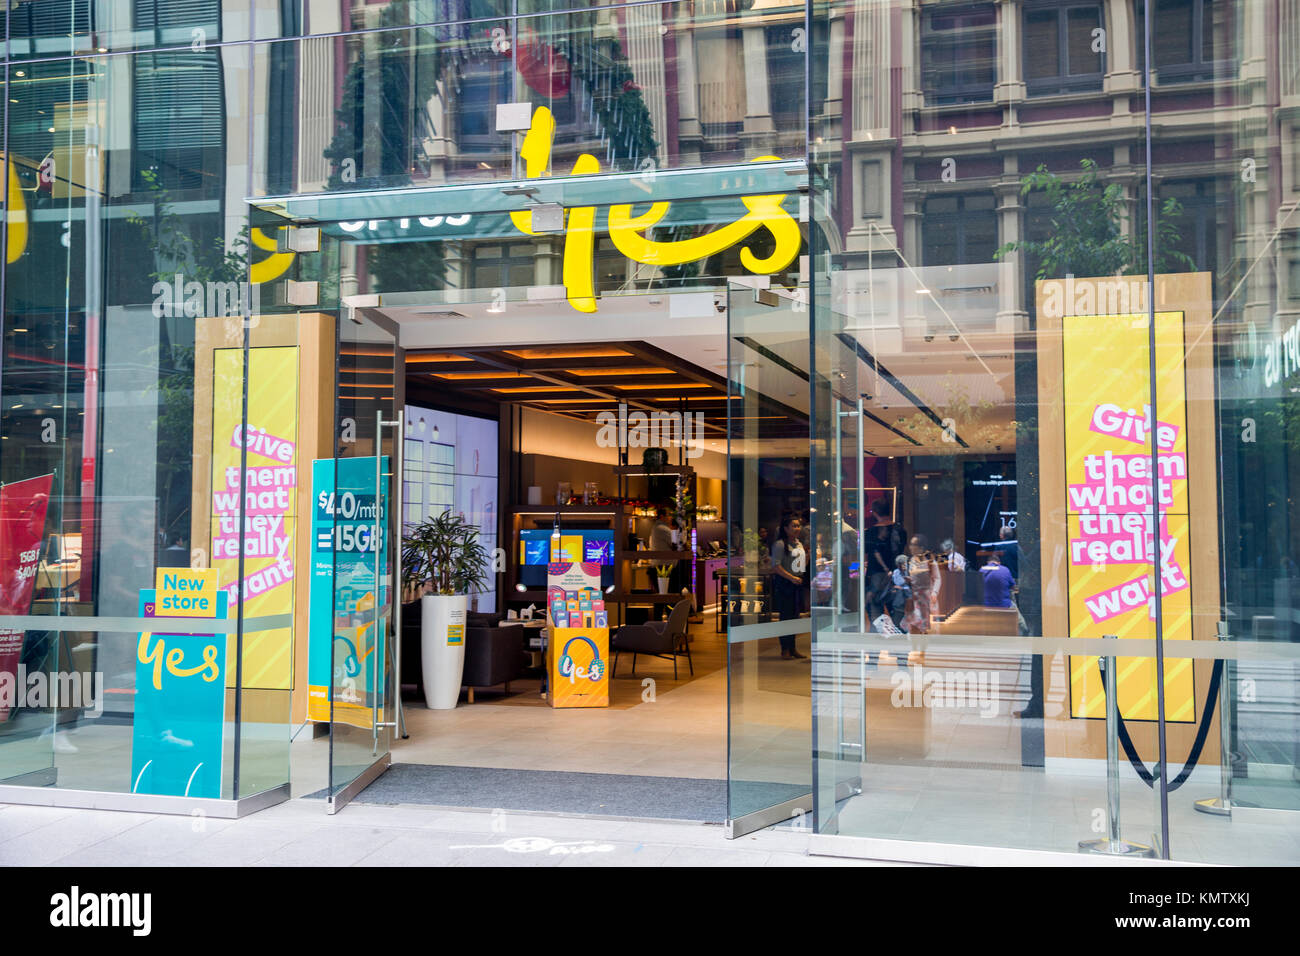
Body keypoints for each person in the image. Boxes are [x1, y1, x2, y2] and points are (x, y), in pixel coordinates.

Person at [864, 499, 907, 624]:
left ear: (875, 512)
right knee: (896, 609)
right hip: (897, 574)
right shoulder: (900, 530)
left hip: (876, 575)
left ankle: (881, 637)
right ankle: (896, 636)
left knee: (876, 610)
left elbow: (866, 551)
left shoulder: (871, 533)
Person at [771, 513, 807, 659]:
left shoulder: (798, 543)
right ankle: (784, 648)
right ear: (785, 528)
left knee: (795, 616)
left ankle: (792, 648)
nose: (797, 528)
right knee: (786, 617)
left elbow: (800, 565)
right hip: (785, 583)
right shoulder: (780, 544)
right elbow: (776, 566)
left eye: (798, 525)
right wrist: (791, 578)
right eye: (794, 526)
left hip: (797, 583)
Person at [906, 534, 937, 633]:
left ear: (921, 547)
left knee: (922, 620)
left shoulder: (929, 561)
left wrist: (934, 592)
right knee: (915, 621)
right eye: (910, 544)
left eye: (913, 544)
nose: (910, 547)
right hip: (913, 595)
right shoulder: (911, 560)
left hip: (924, 595)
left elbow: (937, 578)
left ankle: (922, 642)